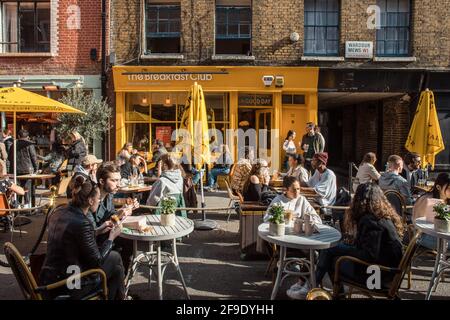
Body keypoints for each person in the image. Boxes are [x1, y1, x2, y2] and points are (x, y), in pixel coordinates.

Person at [293, 183, 404, 300]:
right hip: (388, 273)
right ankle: (313, 287)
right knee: (333, 253)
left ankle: (311, 288)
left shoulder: (370, 220)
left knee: (331, 255)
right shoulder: (382, 216)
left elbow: (369, 255)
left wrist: (345, 249)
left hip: (378, 276)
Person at [39, 176, 126, 300]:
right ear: (90, 201)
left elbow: (73, 238)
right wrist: (111, 237)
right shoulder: (83, 222)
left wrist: (98, 230)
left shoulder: (58, 210)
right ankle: (119, 297)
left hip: (49, 277)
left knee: (115, 265)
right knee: (115, 259)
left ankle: (120, 296)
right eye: (98, 198)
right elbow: (97, 261)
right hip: (70, 283)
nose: (99, 201)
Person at [413, 172, 450, 251]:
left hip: (442, 234)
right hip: (424, 236)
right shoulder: (427, 200)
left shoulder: (447, 201)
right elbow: (417, 223)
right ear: (438, 187)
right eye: (449, 188)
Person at [7, 129, 38, 204]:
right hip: (27, 170)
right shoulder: (29, 144)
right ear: (27, 136)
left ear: (18, 136)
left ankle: (17, 205)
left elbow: (9, 158)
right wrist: (36, 168)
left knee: (17, 189)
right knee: (27, 189)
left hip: (15, 170)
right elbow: (33, 157)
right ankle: (27, 206)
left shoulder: (13, 145)